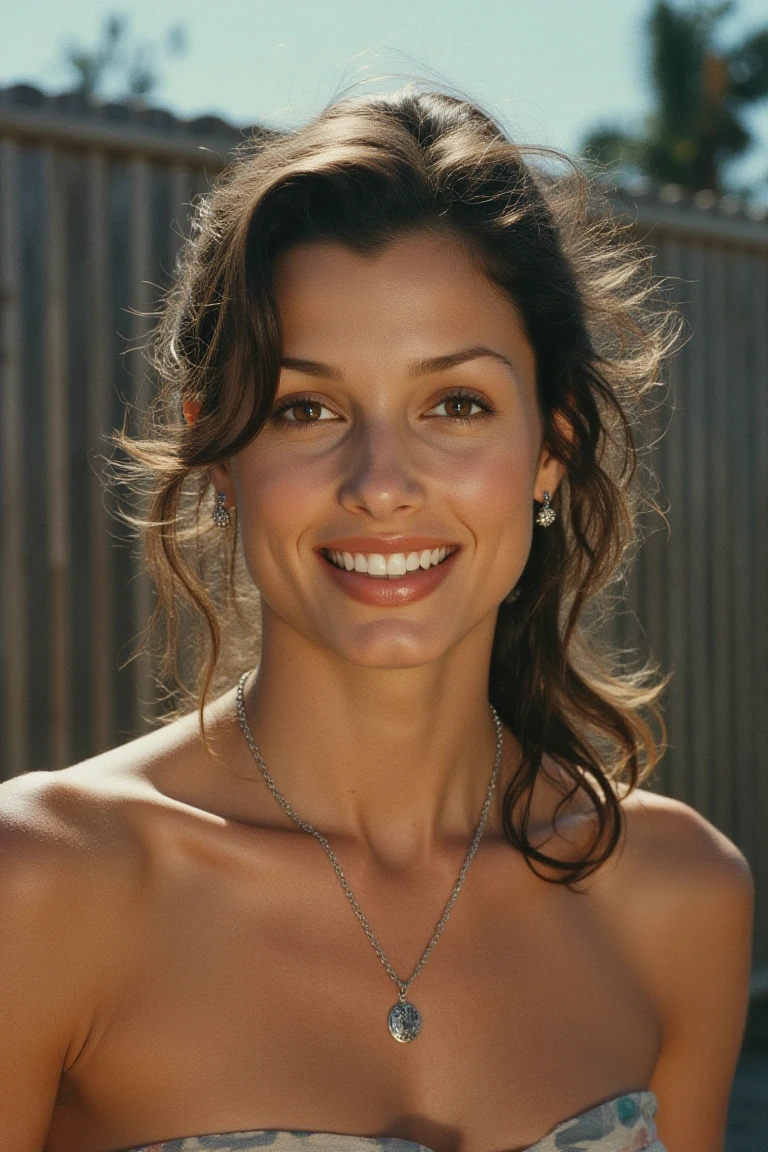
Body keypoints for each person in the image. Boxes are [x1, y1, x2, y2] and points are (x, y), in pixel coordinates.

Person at [0, 87, 754, 1152]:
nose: (382, 484)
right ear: (219, 452)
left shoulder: (680, 897)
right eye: (307, 408)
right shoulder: (40, 886)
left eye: (457, 404)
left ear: (553, 445)